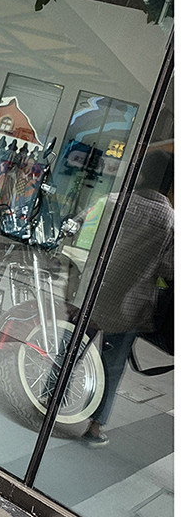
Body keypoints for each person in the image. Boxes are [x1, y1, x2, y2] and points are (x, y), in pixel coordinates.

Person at [82, 150, 174, 447]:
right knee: (113, 365)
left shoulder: (113, 202)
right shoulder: (171, 222)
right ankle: (95, 428)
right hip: (130, 306)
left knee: (70, 350)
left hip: (93, 294)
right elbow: (169, 270)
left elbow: (86, 236)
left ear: (142, 173)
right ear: (169, 184)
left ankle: (47, 400)